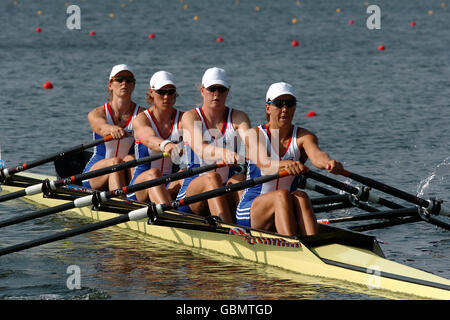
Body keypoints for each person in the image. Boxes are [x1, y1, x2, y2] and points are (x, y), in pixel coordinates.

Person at [236, 82, 344, 236]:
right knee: (282, 195)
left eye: (290, 104)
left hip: (286, 205)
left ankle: (313, 244)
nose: (285, 109)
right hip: (251, 209)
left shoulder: (304, 136)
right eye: (279, 104)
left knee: (301, 196)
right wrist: (287, 164)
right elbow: (265, 164)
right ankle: (292, 245)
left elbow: (317, 156)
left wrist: (329, 163)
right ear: (268, 107)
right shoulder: (255, 135)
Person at [176, 67, 251, 223]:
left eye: (221, 89)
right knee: (212, 178)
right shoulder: (190, 117)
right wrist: (224, 153)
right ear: (203, 91)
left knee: (240, 179)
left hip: (225, 188)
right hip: (192, 195)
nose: (216, 93)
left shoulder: (238, 117)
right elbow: (200, 149)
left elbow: (252, 144)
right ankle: (229, 231)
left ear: (227, 92)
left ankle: (253, 227)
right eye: (212, 89)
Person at [82, 64, 143, 191]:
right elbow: (100, 127)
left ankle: (139, 201)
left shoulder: (142, 115)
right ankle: (121, 204)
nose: (124, 83)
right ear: (110, 84)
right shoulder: (97, 113)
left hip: (126, 169)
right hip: (95, 174)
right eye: (119, 79)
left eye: (128, 80)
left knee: (130, 159)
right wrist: (111, 129)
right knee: (115, 162)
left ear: (133, 85)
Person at [127, 71, 183, 203]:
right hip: (140, 187)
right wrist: (166, 145)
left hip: (170, 183)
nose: (166, 97)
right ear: (151, 92)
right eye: (161, 92)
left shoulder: (184, 118)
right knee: (154, 173)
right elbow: (149, 139)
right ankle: (170, 217)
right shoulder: (141, 120)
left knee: (190, 173)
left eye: (170, 92)